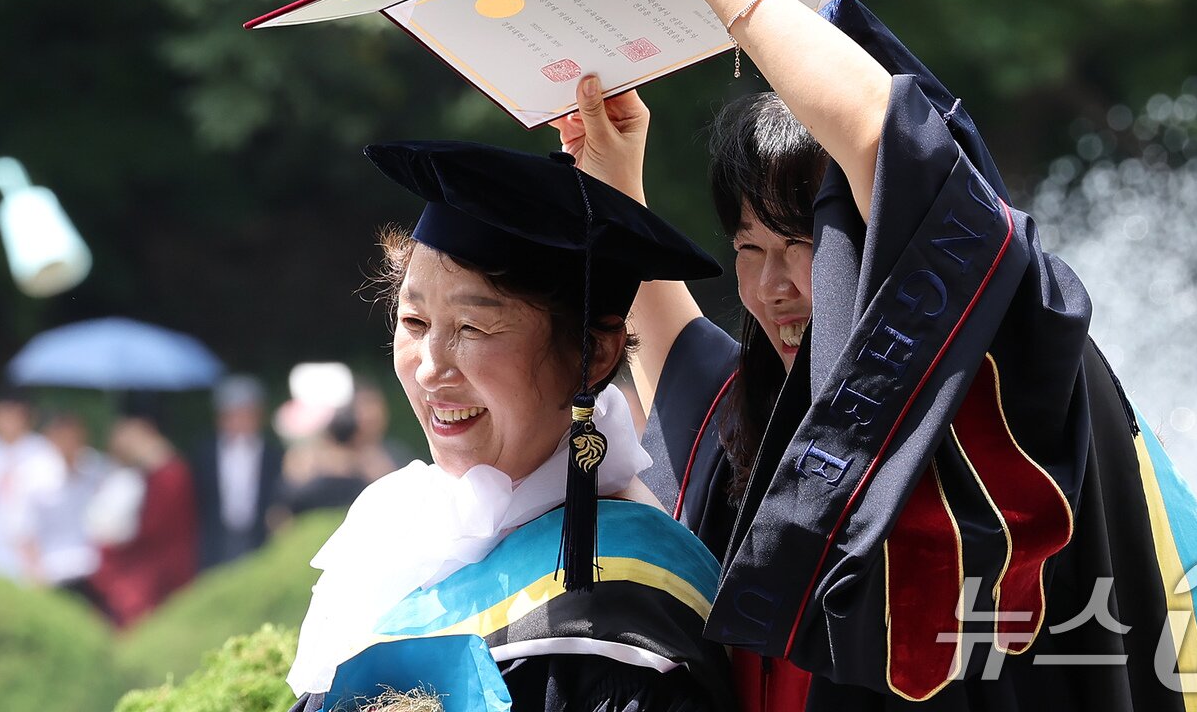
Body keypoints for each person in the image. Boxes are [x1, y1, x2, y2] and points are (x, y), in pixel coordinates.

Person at [546, 0, 1197, 711]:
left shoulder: (1004, 365)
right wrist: (613, 177)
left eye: (803, 243)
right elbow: (671, 341)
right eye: (748, 249)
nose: (772, 287)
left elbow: (888, 142)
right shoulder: (761, 428)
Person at [285, 141, 733, 712]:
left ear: (593, 354)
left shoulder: (624, 609)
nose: (429, 367)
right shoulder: (398, 528)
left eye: (472, 328)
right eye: (415, 321)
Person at [88, 403, 198, 627]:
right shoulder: (151, 473)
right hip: (151, 567)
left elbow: (152, 528)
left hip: (159, 572)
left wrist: (110, 544)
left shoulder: (169, 475)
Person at [0, 387, 60, 581]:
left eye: (12, 413)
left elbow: (52, 510)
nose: (6, 419)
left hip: (35, 560)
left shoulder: (43, 453)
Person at [191, 374, 283, 570]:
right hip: (216, 537)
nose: (240, 421)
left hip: (259, 536)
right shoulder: (205, 453)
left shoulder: (273, 454)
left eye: (246, 414)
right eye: (233, 414)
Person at [25, 410, 109, 593]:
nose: (70, 443)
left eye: (74, 437)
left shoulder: (98, 466)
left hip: (93, 568)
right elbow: (24, 530)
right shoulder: (32, 474)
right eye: (63, 437)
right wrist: (35, 572)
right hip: (53, 570)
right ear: (51, 438)